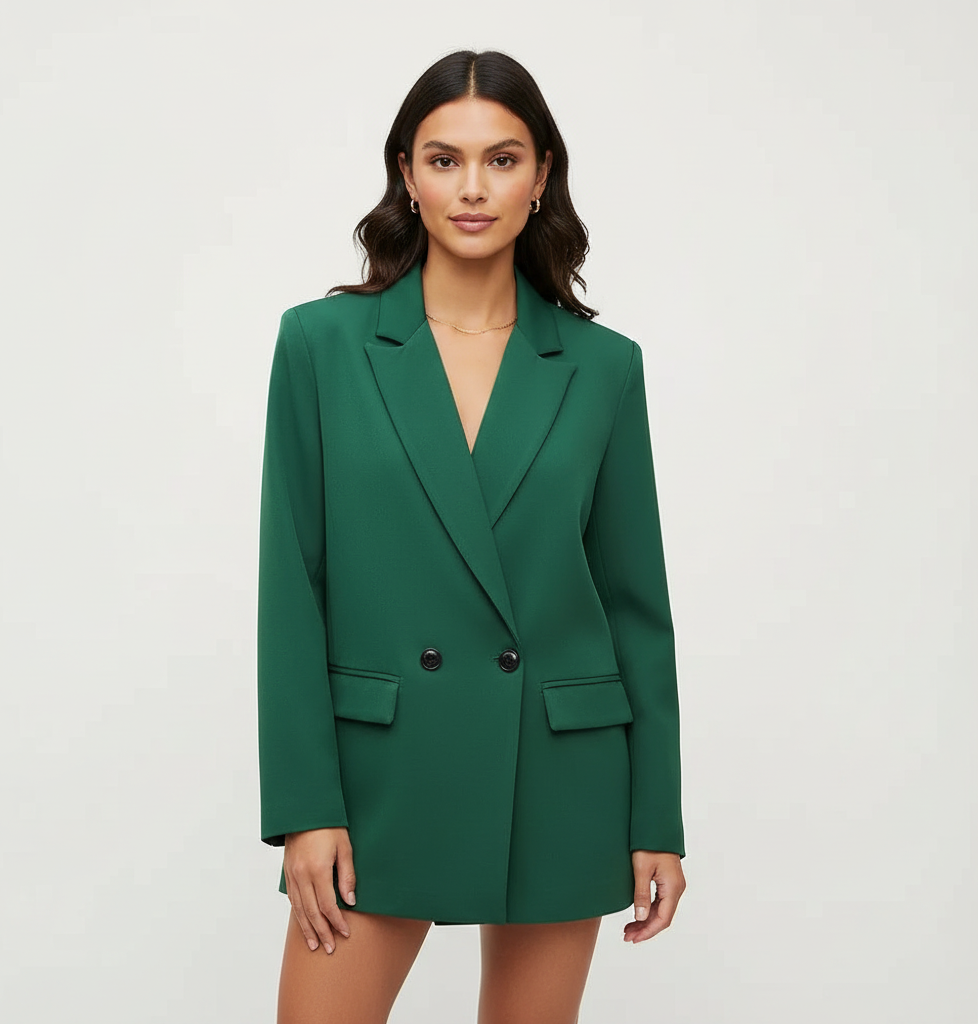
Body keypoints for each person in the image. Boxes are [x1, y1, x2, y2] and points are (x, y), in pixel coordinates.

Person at [257, 48, 687, 1024]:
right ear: (405, 174)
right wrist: (305, 806)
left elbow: (635, 605)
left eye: (501, 158)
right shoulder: (321, 346)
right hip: (379, 771)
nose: (472, 187)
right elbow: (292, 585)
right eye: (444, 159)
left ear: (541, 175)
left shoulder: (602, 366)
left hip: (559, 769)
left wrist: (655, 815)